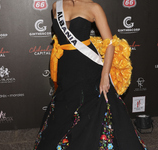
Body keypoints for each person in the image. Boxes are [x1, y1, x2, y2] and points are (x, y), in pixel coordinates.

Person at [34, 0, 147, 149]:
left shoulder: (93, 7)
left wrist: (104, 75)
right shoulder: (56, 6)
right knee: (65, 109)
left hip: (88, 67)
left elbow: (110, 43)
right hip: (66, 68)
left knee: (94, 109)